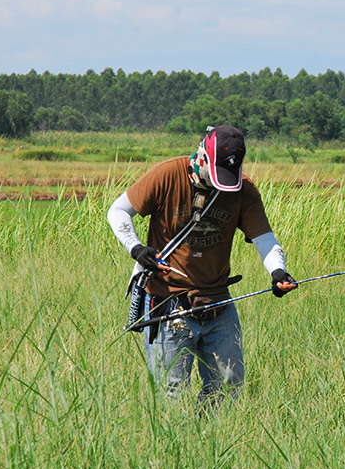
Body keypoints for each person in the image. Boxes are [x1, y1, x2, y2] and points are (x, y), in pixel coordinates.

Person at [107, 125, 297, 408]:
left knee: (229, 385)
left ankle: (210, 441)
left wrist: (278, 271)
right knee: (172, 394)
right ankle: (176, 448)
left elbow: (265, 239)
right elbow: (118, 210)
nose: (226, 181)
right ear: (204, 158)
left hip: (219, 303)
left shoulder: (244, 191)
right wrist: (137, 249)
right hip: (166, 302)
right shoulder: (167, 174)